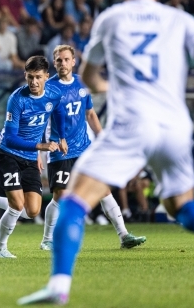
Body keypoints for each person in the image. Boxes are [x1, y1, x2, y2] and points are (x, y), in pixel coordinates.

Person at [18, 0, 194, 305]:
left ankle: (58, 284)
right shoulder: (181, 20)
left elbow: (89, 76)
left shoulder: (111, 18)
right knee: (181, 207)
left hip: (132, 122)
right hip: (176, 124)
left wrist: (105, 86)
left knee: (74, 202)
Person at [39, 45, 146, 251]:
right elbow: (42, 121)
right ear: (55, 63)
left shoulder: (82, 83)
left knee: (103, 190)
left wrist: (102, 138)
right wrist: (41, 150)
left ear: (73, 61)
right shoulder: (48, 88)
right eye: (59, 60)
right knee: (60, 196)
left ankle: (124, 235)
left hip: (84, 149)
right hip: (60, 152)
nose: (63, 63)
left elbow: (90, 114)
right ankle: (47, 239)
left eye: (66, 59)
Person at [0, 56, 67, 258]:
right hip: (7, 153)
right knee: (16, 204)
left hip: (30, 156)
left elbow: (58, 114)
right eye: (30, 77)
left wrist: (61, 137)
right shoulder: (17, 99)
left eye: (38, 77)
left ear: (47, 77)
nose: (33, 82)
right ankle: (1, 248)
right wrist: (41, 146)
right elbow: (11, 138)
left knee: (32, 211)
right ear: (25, 75)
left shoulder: (54, 95)